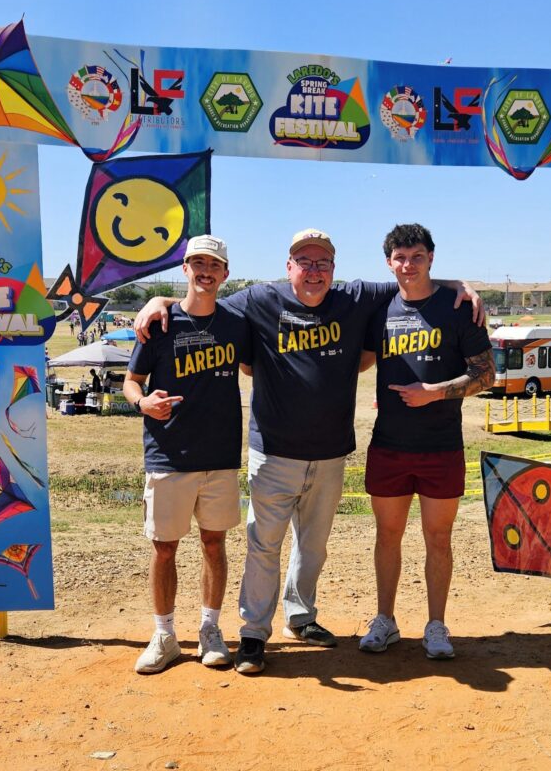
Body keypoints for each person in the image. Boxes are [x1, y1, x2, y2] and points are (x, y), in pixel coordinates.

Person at [135, 228, 483, 675]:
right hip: (273, 451)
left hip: (331, 452)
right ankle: (253, 633)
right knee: (264, 546)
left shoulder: (354, 297)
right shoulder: (260, 299)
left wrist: (462, 285)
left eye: (322, 263)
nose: (314, 271)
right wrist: (159, 300)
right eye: (304, 262)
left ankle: (300, 616)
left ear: (334, 269)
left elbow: (413, 279)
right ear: (289, 267)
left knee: (313, 547)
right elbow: (203, 299)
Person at [358, 224, 494, 659]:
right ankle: (385, 620)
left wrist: (435, 392)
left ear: (431, 258)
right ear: (388, 263)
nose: (408, 265)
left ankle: (436, 626)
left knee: (438, 538)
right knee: (387, 536)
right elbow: (358, 361)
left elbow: (487, 375)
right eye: (400, 258)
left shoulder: (457, 308)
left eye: (417, 256)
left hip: (441, 447)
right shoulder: (380, 309)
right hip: (389, 445)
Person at [124, 235, 251, 674]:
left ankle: (210, 629)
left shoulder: (236, 323)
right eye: (198, 263)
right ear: (185, 269)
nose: (205, 272)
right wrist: (143, 403)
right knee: (164, 549)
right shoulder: (159, 322)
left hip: (219, 456)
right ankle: (164, 635)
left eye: (214, 265)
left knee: (214, 544)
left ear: (225, 274)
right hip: (169, 453)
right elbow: (132, 381)